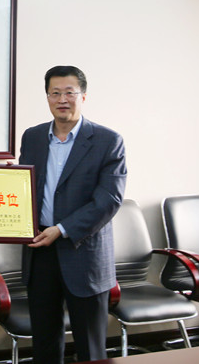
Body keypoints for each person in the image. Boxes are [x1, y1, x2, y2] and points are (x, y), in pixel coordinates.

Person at [19, 65, 127, 363]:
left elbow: (108, 200)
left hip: (84, 254)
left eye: (70, 92)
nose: (62, 99)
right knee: (44, 343)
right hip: (40, 251)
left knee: (90, 348)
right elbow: (23, 186)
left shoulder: (108, 141)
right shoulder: (33, 137)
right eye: (55, 93)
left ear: (83, 96)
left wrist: (62, 228)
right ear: (47, 97)